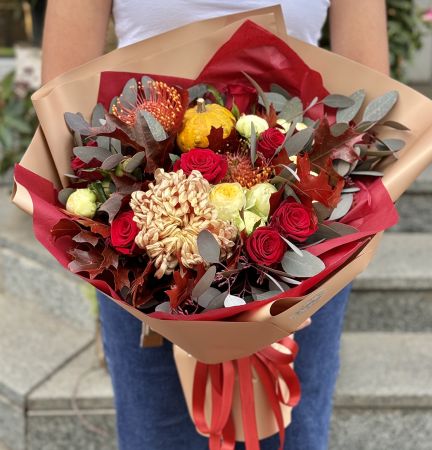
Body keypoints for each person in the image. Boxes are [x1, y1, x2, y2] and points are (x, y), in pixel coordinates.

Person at [41, 1, 390, 449]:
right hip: (143, 256)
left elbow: (368, 110)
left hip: (301, 256)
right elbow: (61, 104)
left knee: (292, 435)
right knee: (158, 436)